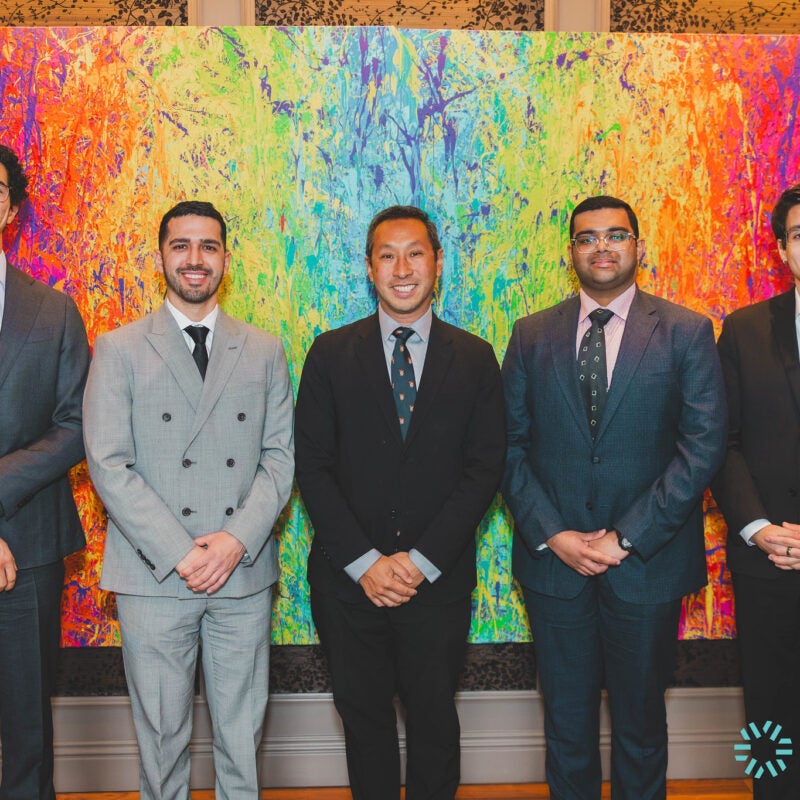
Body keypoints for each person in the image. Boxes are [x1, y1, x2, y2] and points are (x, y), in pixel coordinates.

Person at [501, 195, 726, 800]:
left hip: (648, 565)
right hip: (556, 567)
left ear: (638, 246)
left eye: (616, 235)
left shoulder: (686, 331)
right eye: (587, 237)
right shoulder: (531, 335)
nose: (602, 246)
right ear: (571, 252)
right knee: (566, 726)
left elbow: (703, 445)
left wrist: (626, 537)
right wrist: (554, 534)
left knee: (641, 726)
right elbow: (507, 445)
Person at [83, 200, 294, 800]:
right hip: (152, 573)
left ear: (226, 258)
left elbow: (280, 459)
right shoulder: (119, 348)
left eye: (208, 246)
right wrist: (181, 551)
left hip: (241, 571)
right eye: (181, 245)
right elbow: (108, 463)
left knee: (241, 738)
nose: (195, 259)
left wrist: (232, 542)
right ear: (160, 258)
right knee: (161, 740)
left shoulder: (264, 349)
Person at [294, 205, 505, 800]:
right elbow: (311, 467)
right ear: (369, 268)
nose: (403, 268)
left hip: (436, 581)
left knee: (434, 719)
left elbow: (484, 469)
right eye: (388, 256)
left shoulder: (475, 357)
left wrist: (419, 561)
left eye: (415, 253)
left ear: (438, 263)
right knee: (364, 721)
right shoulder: (329, 353)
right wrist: (366, 562)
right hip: (347, 583)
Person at [0, 144, 90, 800]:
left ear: (10, 209)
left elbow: (76, 425)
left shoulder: (54, 312)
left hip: (28, 546)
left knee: (27, 730)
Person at [712, 184, 800, 800]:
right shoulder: (743, 331)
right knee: (769, 715)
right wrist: (759, 528)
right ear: (783, 250)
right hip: (767, 557)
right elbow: (722, 441)